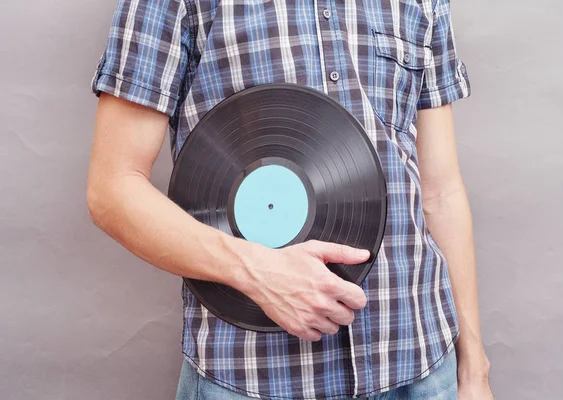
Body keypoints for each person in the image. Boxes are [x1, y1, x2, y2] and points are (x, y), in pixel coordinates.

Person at [87, 0, 493, 399]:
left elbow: (441, 192)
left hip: (422, 368)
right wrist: (257, 272)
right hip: (253, 378)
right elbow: (112, 189)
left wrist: (474, 367)